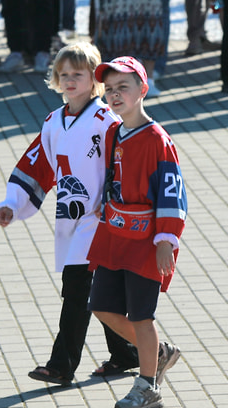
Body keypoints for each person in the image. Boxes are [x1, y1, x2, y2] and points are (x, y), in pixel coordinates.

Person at [0, 43, 140, 386]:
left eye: (78, 74)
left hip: (103, 220)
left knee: (78, 291)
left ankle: (61, 365)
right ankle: (129, 352)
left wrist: (122, 208)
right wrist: (12, 203)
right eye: (64, 75)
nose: (70, 80)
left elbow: (127, 164)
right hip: (73, 221)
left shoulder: (108, 120)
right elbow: (38, 163)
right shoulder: (53, 122)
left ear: (95, 80)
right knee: (98, 293)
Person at [87, 55, 187, 408]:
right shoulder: (114, 131)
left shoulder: (158, 139)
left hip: (147, 240)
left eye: (123, 88)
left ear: (142, 90)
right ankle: (157, 353)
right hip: (115, 233)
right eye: (109, 89)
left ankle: (148, 386)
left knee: (141, 315)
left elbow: (173, 193)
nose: (114, 95)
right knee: (101, 306)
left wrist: (166, 240)